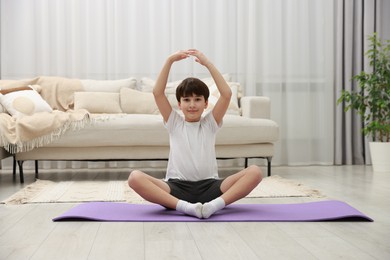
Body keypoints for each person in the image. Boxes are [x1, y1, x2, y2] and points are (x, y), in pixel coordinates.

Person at [128, 49, 262, 219]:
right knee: (134, 178)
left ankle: (214, 206)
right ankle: (185, 208)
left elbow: (226, 94)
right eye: (186, 100)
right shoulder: (174, 123)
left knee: (256, 172)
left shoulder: (210, 124)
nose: (192, 104)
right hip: (176, 189)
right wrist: (169, 60)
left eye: (197, 99)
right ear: (179, 103)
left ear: (206, 103)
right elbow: (158, 93)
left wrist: (207, 63)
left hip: (211, 188)